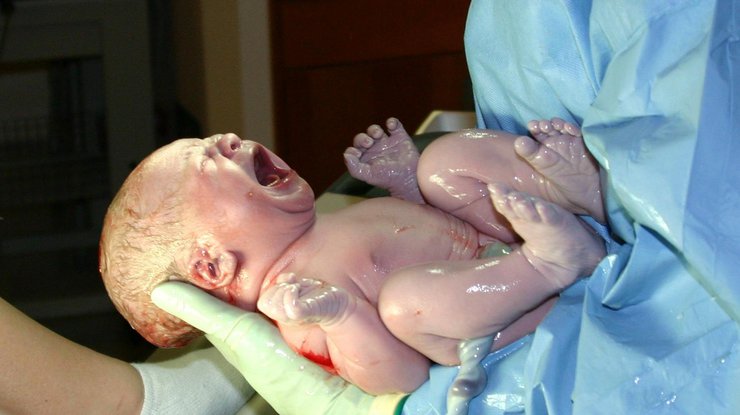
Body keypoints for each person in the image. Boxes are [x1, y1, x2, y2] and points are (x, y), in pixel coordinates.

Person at [99, 116, 605, 395]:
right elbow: (399, 379)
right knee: (405, 303)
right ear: (212, 265)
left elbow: (427, 234)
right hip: (502, 315)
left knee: (441, 165)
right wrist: (341, 316)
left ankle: (577, 194)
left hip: (498, 242)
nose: (229, 139)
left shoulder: (326, 222)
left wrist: (407, 184)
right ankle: (551, 263)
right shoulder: (300, 307)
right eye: (210, 160)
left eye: (214, 140)